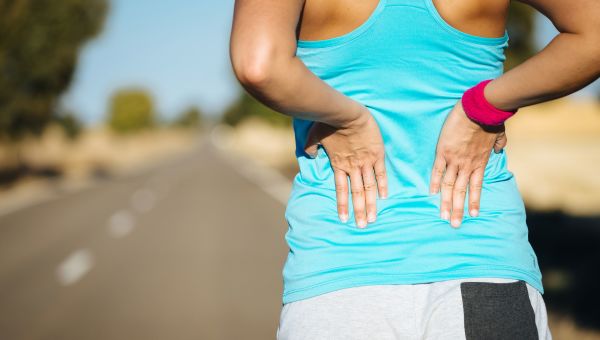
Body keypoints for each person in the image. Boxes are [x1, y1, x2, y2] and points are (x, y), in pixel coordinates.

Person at [229, 0, 600, 338]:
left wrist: (347, 118)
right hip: (481, 258)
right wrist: (485, 106)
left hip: (340, 274)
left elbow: (258, 65)